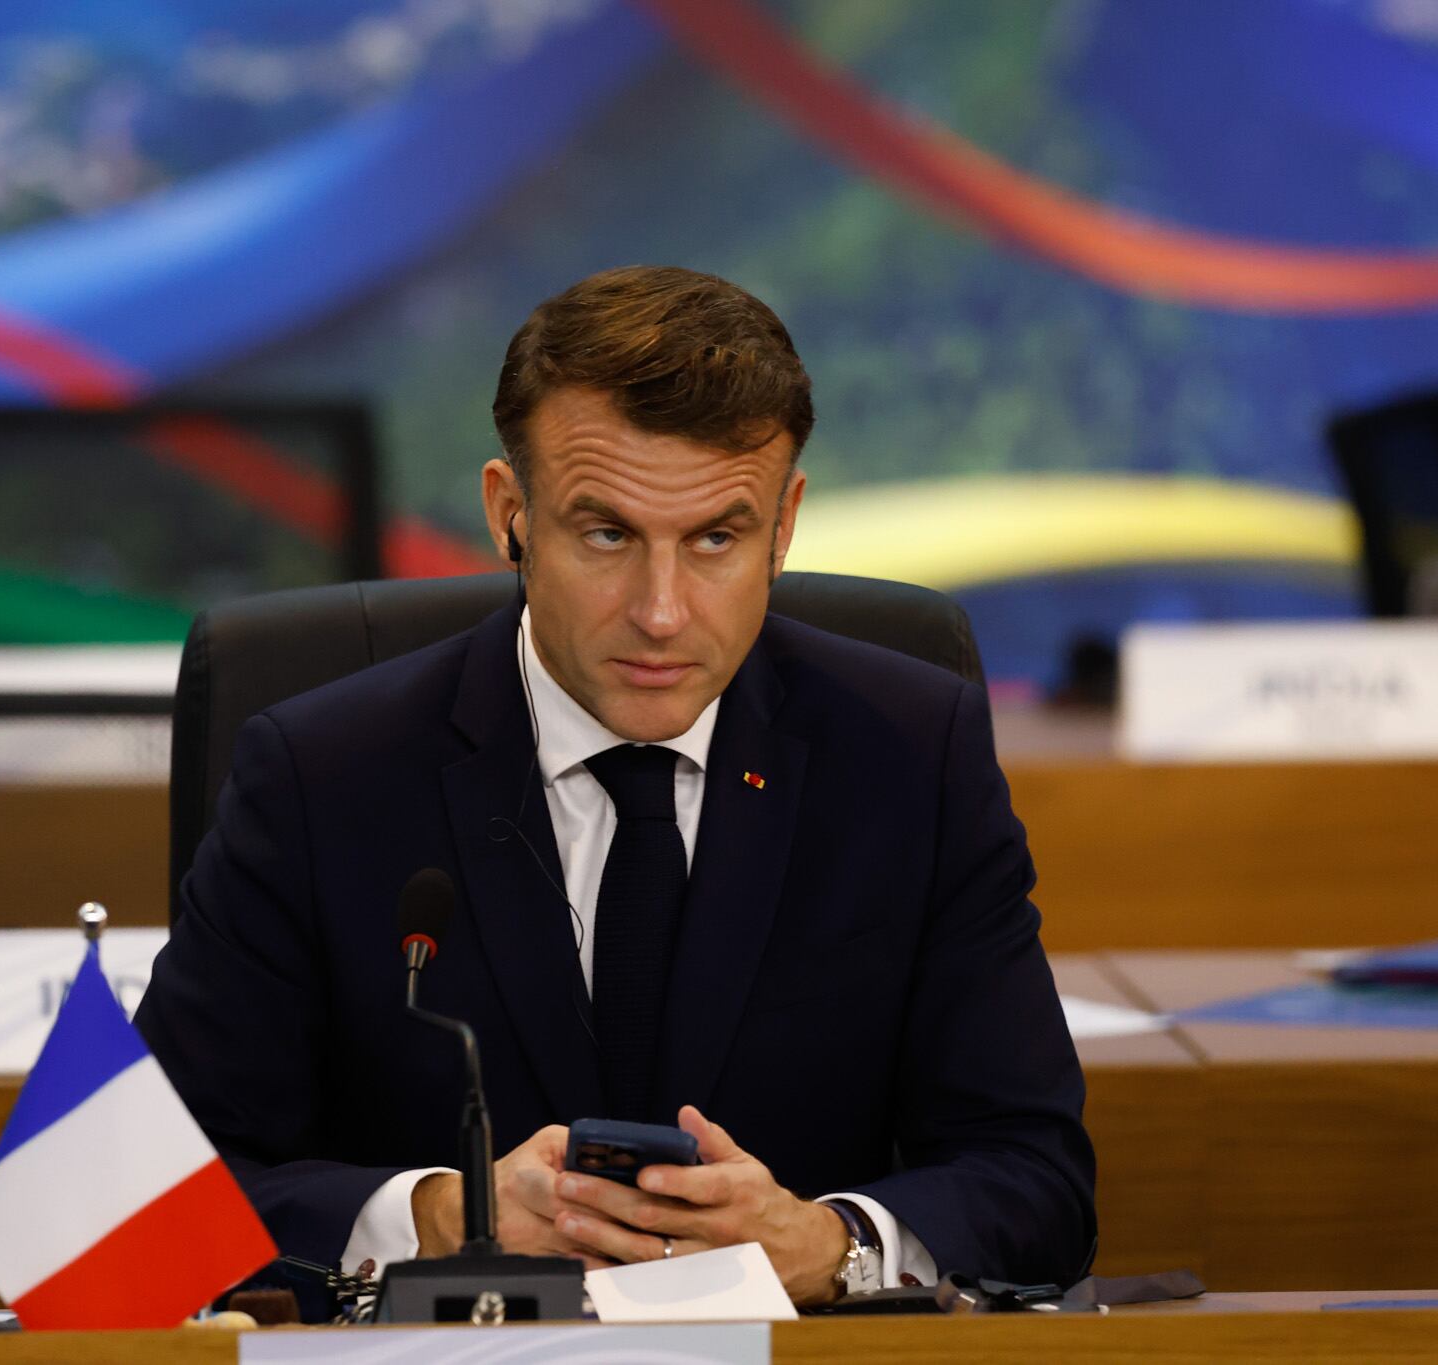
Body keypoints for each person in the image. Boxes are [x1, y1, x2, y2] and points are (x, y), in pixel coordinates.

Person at [135, 266, 1094, 1304]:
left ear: (783, 526)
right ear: (510, 516)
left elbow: (1036, 1181)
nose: (661, 613)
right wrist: (430, 1219)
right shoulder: (321, 774)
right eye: (606, 535)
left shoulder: (909, 752)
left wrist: (830, 1247)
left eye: (716, 539)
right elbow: (149, 1197)